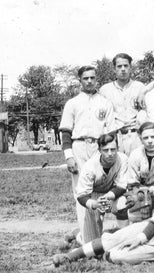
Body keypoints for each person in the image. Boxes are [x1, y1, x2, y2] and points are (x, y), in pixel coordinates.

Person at [58, 65, 115, 240]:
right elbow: (66, 131)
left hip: (99, 147)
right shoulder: (73, 103)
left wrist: (108, 153)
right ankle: (85, 236)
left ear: (96, 79)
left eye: (92, 77)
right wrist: (69, 156)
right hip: (79, 146)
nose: (89, 81)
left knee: (98, 189)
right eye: (85, 78)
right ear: (80, 80)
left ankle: (95, 232)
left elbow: (111, 131)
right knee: (81, 192)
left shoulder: (104, 102)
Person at [66, 133, 129, 245]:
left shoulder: (123, 159)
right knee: (91, 243)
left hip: (113, 194)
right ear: (99, 150)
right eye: (106, 150)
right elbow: (81, 195)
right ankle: (77, 234)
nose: (110, 153)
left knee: (123, 204)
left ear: (118, 148)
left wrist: (108, 196)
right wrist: (94, 204)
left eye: (113, 149)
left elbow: (122, 186)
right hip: (94, 197)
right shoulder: (90, 166)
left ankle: (125, 237)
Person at [99, 53, 145, 155]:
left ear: (130, 67)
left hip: (136, 135)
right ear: (114, 69)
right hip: (116, 136)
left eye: (126, 66)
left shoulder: (140, 87)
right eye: (119, 66)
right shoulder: (105, 90)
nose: (123, 69)